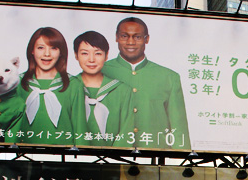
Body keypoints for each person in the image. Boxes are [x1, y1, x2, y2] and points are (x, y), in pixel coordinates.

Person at [102, 17, 190, 150]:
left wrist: (182, 162)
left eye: (137, 37)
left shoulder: (169, 77)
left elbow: (179, 129)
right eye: (125, 36)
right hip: (109, 158)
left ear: (146, 39)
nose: (130, 42)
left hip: (157, 159)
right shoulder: (100, 71)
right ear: (116, 37)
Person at [71, 30, 134, 147]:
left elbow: (126, 132)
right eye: (85, 53)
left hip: (113, 161)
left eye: (98, 53)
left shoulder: (122, 90)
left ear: (106, 55)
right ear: (76, 55)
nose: (91, 59)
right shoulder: (68, 87)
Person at [18, 27, 77, 145]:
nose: (47, 54)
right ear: (32, 50)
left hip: (64, 154)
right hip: (23, 155)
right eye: (40, 48)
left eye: (53, 48)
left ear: (61, 52)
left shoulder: (74, 83)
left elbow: (79, 124)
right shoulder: (17, 82)